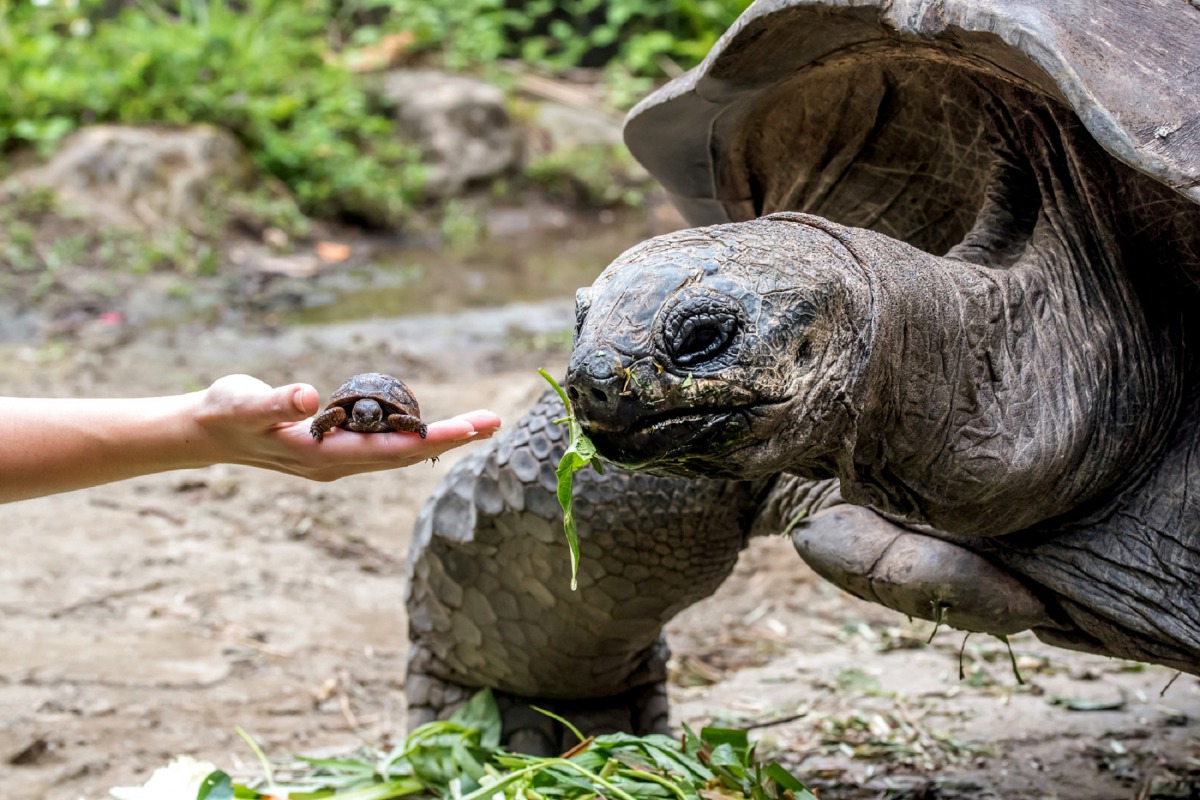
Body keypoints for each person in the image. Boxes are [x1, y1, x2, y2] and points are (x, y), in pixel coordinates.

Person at [0, 373, 502, 504]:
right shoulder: (346, 411)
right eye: (360, 415)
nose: (367, 420)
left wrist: (201, 425)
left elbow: (399, 417)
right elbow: (328, 416)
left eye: (376, 416)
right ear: (354, 412)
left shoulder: (385, 413)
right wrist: (321, 426)